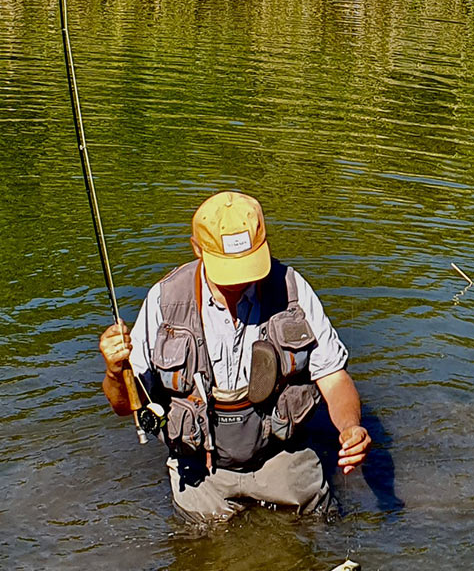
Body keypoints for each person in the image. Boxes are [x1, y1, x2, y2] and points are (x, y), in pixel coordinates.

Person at [99, 191, 370, 523]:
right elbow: (126, 406)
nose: (240, 281)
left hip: (281, 454)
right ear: (197, 248)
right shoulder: (164, 300)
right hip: (200, 469)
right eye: (228, 270)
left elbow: (334, 377)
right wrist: (115, 372)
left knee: (320, 525)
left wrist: (350, 428)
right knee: (201, 555)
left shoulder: (292, 289)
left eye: (247, 265)